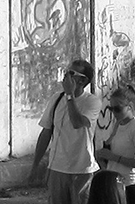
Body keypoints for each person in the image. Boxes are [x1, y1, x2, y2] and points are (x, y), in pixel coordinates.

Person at [31, 58, 104, 204]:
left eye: (71, 73)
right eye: (66, 72)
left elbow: (77, 123)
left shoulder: (92, 102)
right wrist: (36, 164)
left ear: (82, 81)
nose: (65, 76)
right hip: (57, 168)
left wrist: (70, 95)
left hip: (81, 170)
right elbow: (46, 132)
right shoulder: (56, 99)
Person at [93, 86, 135, 204]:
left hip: (130, 185)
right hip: (114, 183)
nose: (114, 113)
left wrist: (113, 157)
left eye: (117, 109)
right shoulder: (117, 124)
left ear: (129, 107)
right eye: (111, 109)